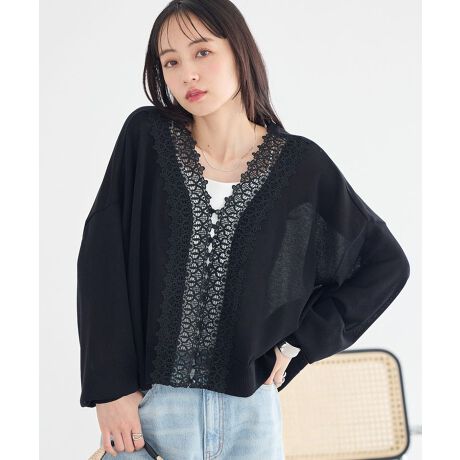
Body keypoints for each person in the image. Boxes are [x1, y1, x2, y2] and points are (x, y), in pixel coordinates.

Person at [76, 1, 410, 459]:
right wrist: (110, 390)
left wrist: (296, 345)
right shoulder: (146, 139)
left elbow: (384, 264)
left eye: (202, 52)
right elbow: (101, 261)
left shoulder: (301, 167)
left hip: (251, 416)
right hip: (151, 413)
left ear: (239, 51)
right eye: (171, 62)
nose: (188, 74)